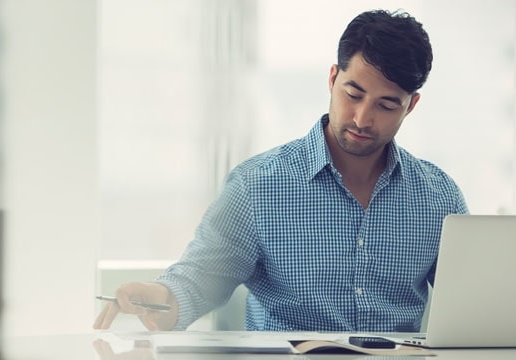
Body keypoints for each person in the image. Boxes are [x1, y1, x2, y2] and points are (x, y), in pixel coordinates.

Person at [93, 8, 468, 333]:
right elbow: (197, 279)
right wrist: (156, 298)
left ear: (411, 105)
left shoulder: (439, 197)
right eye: (353, 94)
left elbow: (473, 306)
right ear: (333, 77)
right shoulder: (257, 185)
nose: (362, 118)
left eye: (386, 105)